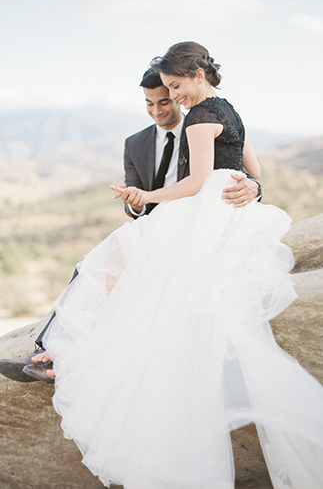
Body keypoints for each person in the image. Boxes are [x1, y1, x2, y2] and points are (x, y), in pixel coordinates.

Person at [24, 41, 323, 488]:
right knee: (116, 260)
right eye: (164, 91)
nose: (174, 96)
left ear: (199, 74)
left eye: (176, 87)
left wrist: (149, 199)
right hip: (226, 213)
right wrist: (251, 185)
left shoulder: (201, 117)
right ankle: (53, 349)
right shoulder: (228, 110)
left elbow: (200, 182)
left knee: (111, 259)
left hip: (203, 212)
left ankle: (66, 353)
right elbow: (252, 166)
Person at [0, 67, 262, 384]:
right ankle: (49, 350)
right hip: (156, 225)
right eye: (149, 103)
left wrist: (256, 188)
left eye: (164, 101)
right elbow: (135, 200)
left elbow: (232, 171)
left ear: (178, 95)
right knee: (88, 268)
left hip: (193, 228)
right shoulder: (135, 144)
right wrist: (135, 203)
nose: (157, 110)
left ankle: (71, 358)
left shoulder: (204, 123)